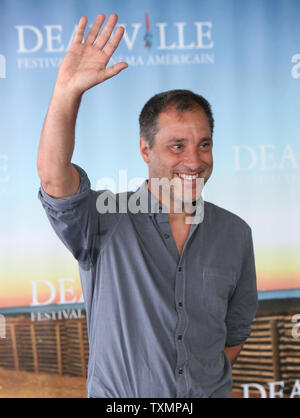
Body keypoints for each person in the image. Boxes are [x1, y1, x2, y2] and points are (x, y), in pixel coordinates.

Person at [37, 13, 258, 398]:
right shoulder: (102, 218)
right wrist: (66, 93)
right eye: (177, 146)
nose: (195, 160)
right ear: (145, 149)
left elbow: (233, 335)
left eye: (203, 144)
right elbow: (55, 178)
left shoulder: (235, 233)